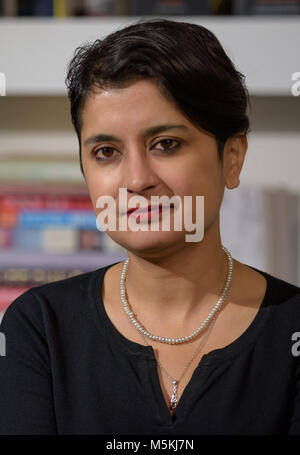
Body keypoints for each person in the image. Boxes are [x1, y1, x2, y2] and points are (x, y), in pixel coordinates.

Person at [0, 18, 300, 436]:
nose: (136, 179)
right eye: (106, 151)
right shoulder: (40, 328)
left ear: (231, 158)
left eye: (166, 144)